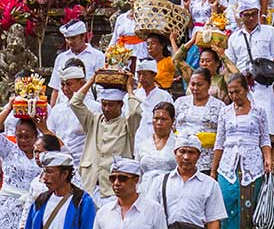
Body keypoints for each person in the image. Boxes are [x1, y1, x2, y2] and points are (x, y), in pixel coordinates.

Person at [211, 74, 272, 229]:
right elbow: (219, 141)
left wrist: (268, 159)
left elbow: (264, 139)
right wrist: (213, 169)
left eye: (238, 91)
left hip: (251, 164)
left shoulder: (259, 111)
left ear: (246, 89)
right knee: (226, 199)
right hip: (228, 163)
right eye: (231, 92)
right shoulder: (225, 112)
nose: (234, 95)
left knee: (247, 207)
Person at [70, 71, 142, 201]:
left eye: (111, 105)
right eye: (104, 104)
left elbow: (135, 112)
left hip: (113, 190)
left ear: (121, 105)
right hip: (90, 185)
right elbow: (75, 103)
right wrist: (92, 80)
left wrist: (129, 89)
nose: (107, 108)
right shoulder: (94, 121)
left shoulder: (127, 125)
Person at [227, 0, 274, 156]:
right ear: (241, 16)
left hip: (264, 83)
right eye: (247, 15)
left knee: (268, 116)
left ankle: (273, 155)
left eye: (254, 14)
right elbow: (230, 62)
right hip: (243, 84)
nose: (251, 18)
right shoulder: (234, 37)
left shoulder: (269, 31)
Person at [45, 59, 98, 165]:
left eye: (69, 84)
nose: (65, 88)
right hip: (60, 163)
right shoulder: (57, 109)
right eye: (62, 84)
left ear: (82, 83)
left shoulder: (94, 107)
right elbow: (51, 137)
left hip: (85, 163)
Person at [174, 69, 224, 174]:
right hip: (180, 159)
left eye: (200, 85)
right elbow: (172, 128)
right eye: (192, 84)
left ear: (209, 84)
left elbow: (222, 137)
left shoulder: (219, 106)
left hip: (207, 161)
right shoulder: (180, 103)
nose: (195, 88)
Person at [0, 111, 41, 229]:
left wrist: (44, 127)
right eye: (19, 136)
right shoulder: (10, 150)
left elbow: (62, 149)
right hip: (7, 206)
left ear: (36, 136)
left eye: (27, 137)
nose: (23, 141)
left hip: (33, 207)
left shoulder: (43, 153)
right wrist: (10, 107)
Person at [48, 19, 105, 107]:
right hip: (63, 106)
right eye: (67, 38)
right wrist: (52, 110)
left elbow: (101, 86)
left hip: (87, 106)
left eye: (73, 38)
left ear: (83, 36)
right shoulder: (61, 58)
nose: (70, 42)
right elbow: (56, 88)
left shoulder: (98, 56)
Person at [136, 101, 177, 194]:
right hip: (145, 191)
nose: (159, 123)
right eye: (156, 118)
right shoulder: (143, 144)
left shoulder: (178, 144)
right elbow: (137, 173)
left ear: (172, 121)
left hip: (171, 191)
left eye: (164, 119)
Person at [132, 59, 173, 150]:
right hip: (137, 140)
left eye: (145, 74)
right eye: (139, 74)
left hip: (159, 142)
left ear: (154, 75)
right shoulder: (133, 95)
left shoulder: (164, 96)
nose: (141, 78)